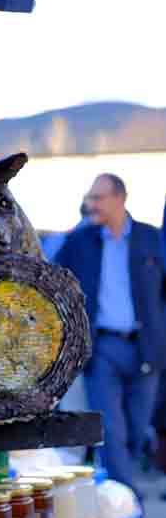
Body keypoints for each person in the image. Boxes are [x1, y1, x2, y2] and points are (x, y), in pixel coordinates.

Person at [55, 173, 166, 500]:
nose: (91, 204)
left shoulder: (151, 239)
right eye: (90, 198)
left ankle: (119, 487)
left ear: (119, 198)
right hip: (102, 348)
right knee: (110, 429)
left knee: (135, 428)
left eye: (98, 197)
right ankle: (126, 500)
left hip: (146, 351)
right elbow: (55, 281)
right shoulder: (79, 242)